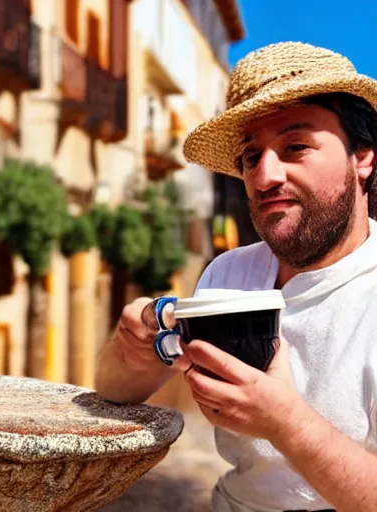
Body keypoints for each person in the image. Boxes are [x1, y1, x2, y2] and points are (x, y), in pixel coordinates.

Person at [95, 42, 377, 512]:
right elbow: (114, 391)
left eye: (296, 147)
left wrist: (284, 422)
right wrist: (131, 350)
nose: (265, 176)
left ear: (363, 157)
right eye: (251, 156)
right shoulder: (229, 272)